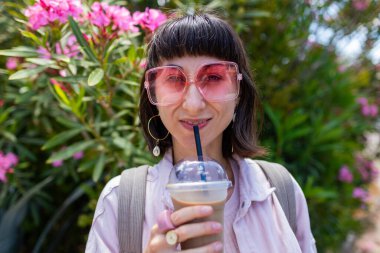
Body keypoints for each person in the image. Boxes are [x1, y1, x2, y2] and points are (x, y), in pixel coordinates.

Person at [85, 10, 317, 253]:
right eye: (174, 79)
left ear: (238, 91)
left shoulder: (280, 192)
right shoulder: (121, 202)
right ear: (153, 93)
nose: (193, 104)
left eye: (214, 77)